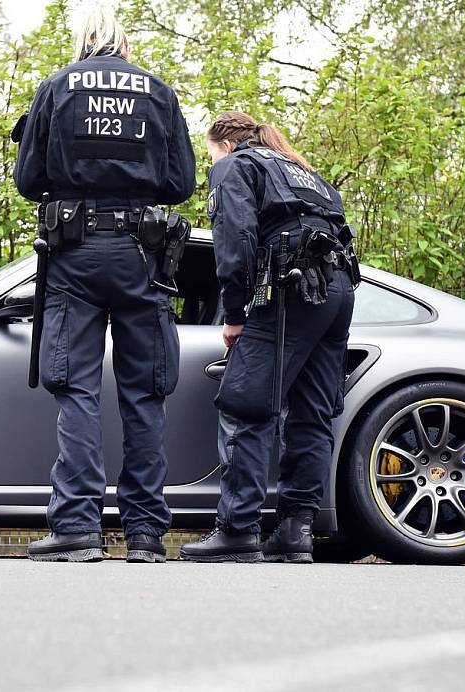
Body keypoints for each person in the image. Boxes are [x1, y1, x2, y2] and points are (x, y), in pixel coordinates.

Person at [13, 7, 196, 562]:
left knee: (77, 390)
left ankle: (77, 528)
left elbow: (28, 180)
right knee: (145, 395)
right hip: (143, 255)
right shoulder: (158, 91)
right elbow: (181, 183)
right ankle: (145, 536)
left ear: (83, 38)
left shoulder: (57, 86)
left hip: (76, 254)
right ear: (122, 40)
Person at [181, 112, 356, 563]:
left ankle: (237, 530)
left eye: (209, 154)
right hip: (335, 290)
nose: (210, 163)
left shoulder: (236, 165)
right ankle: (295, 532)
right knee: (312, 414)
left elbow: (235, 238)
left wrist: (235, 313)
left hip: (287, 290)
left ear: (222, 143)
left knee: (246, 404)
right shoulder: (304, 172)